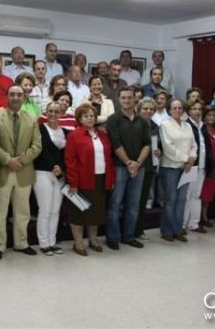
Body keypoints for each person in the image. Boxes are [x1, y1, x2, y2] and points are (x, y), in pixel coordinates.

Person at [0, 85, 42, 260]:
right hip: (2, 171)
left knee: (22, 212)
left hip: (23, 171)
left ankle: (21, 243)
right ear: (7, 96)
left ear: (24, 97)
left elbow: (37, 145)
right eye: (12, 94)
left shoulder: (32, 119)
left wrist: (22, 160)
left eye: (19, 94)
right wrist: (7, 160)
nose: (16, 97)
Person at [65, 104, 115, 256]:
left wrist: (111, 178)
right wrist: (73, 182)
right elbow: (70, 161)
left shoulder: (102, 135)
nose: (89, 118)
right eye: (86, 116)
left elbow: (109, 158)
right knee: (79, 213)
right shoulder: (74, 135)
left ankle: (93, 240)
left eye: (92, 115)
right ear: (79, 119)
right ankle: (78, 242)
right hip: (82, 180)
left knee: (96, 213)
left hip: (100, 179)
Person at [106, 87, 151, 250]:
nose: (126, 101)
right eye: (123, 98)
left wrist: (137, 163)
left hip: (139, 167)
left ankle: (129, 236)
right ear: (119, 100)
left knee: (133, 204)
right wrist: (128, 163)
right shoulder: (113, 119)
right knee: (115, 203)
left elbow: (147, 144)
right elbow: (115, 143)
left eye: (129, 98)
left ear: (134, 99)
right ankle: (113, 237)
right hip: (120, 167)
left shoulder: (142, 121)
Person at [159, 98, 197, 242]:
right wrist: (186, 158)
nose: (177, 110)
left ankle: (178, 229)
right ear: (169, 110)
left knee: (181, 199)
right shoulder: (165, 125)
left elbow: (194, 145)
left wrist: (192, 158)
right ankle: (167, 230)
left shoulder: (187, 126)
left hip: (186, 167)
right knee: (170, 199)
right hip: (170, 167)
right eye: (174, 108)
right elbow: (168, 148)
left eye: (180, 108)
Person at [33, 101, 67, 255]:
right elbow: (43, 150)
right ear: (45, 113)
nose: (53, 114)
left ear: (61, 113)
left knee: (55, 210)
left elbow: (66, 154)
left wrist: (61, 168)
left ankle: (52, 242)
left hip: (59, 175)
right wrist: (54, 166)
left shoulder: (65, 131)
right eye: (50, 111)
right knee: (45, 209)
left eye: (56, 111)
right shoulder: (40, 128)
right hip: (43, 173)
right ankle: (44, 243)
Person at [182, 100, 213, 234]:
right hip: (190, 165)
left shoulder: (203, 126)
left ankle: (194, 223)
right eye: (194, 109)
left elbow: (207, 147)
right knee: (187, 195)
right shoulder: (186, 125)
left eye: (199, 109)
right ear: (189, 111)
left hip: (202, 165)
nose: (197, 111)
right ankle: (182, 224)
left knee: (196, 195)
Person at [135, 97, 162, 238]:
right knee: (132, 201)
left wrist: (159, 151)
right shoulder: (133, 124)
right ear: (139, 110)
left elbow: (158, 145)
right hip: (135, 167)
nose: (148, 111)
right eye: (145, 108)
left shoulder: (156, 127)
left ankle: (139, 230)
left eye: (151, 109)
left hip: (149, 167)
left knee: (143, 200)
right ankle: (129, 230)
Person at [199, 105, 215, 228]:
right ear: (204, 116)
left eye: (214, 115)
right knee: (201, 193)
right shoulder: (201, 130)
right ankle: (198, 217)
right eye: (209, 115)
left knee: (209, 195)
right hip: (205, 167)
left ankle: (204, 215)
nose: (212, 117)